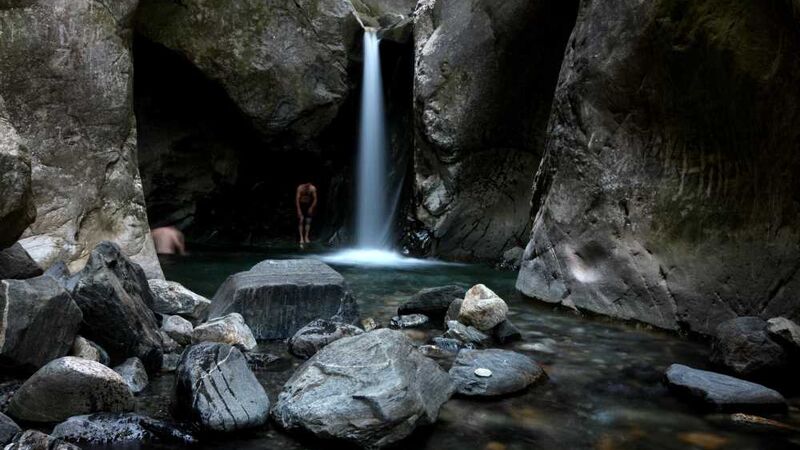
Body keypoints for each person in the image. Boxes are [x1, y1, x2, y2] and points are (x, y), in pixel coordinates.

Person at [295, 182, 317, 247]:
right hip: (302, 205)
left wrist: (311, 207)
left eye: (309, 185)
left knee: (308, 221)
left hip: (309, 204)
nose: (307, 187)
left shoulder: (312, 188)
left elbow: (315, 199)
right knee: (301, 220)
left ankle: (306, 236)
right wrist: (298, 210)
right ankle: (301, 237)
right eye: (306, 186)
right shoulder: (300, 188)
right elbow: (297, 199)